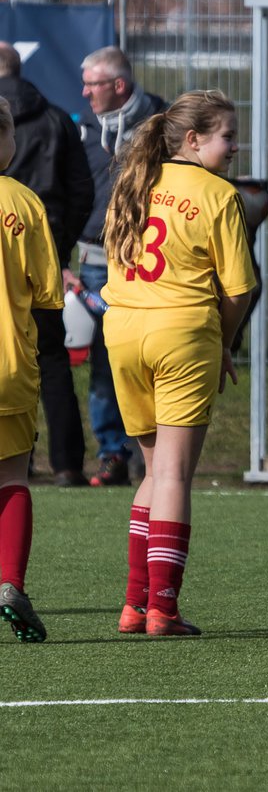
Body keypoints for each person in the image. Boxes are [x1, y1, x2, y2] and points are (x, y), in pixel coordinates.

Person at [102, 90, 255, 637]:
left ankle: (134, 605)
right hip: (180, 330)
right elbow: (238, 290)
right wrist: (224, 345)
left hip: (122, 328)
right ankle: (163, 610)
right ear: (193, 141)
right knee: (172, 474)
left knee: (152, 469)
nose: (235, 147)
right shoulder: (218, 194)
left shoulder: (135, 181)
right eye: (227, 136)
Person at [0, 42, 95, 486]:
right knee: (52, 364)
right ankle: (66, 463)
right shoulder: (57, 119)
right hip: (43, 256)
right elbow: (81, 190)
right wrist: (58, 246)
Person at [79, 46, 168, 488]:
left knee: (150, 357)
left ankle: (157, 453)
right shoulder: (82, 129)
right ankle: (113, 454)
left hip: (150, 262)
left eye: (92, 84)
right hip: (95, 261)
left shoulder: (162, 123)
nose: (84, 93)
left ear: (118, 86)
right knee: (104, 362)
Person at [0, 98, 62, 642]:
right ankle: (11, 583)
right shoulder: (23, 202)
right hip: (8, 366)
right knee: (12, 480)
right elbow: (46, 292)